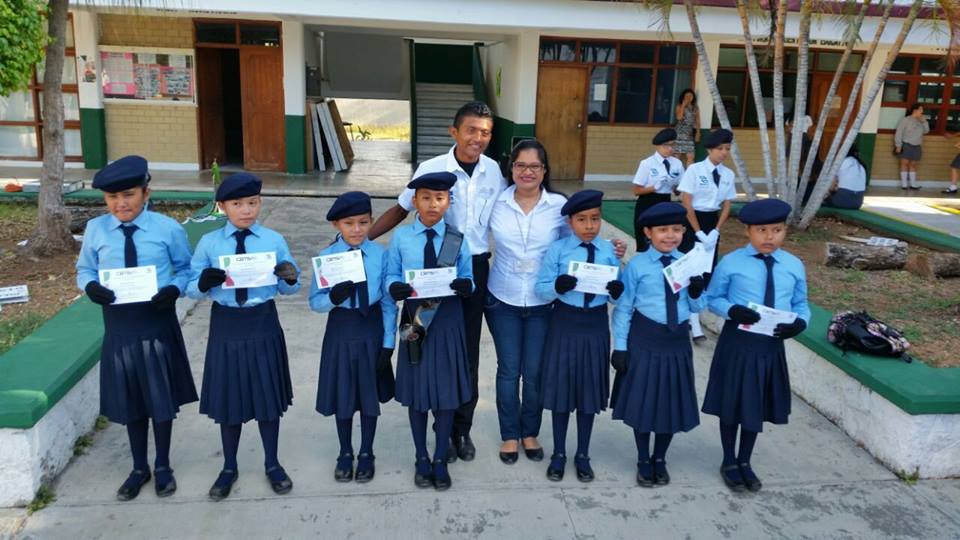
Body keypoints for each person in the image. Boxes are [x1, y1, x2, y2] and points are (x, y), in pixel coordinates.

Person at [369, 102, 503, 463]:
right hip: (422, 275)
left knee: (465, 353)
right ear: (454, 132)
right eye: (471, 130)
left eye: (486, 132)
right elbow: (401, 208)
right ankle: (426, 415)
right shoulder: (430, 169)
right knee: (417, 343)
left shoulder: (494, 171)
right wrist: (361, 239)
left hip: (467, 273)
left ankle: (459, 429)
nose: (478, 138)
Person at [76, 155, 197, 501]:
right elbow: (85, 269)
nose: (120, 204)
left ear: (146, 193)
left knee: (160, 396)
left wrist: (174, 288)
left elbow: (186, 269)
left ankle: (163, 465)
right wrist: (90, 287)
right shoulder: (96, 230)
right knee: (131, 398)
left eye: (128, 195)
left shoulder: (167, 229)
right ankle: (139, 467)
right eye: (112, 197)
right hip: (120, 325)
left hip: (156, 321)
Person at [187, 173, 301, 501]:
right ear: (222, 207)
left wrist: (289, 277)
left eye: (252, 203)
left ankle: (272, 463)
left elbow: (289, 286)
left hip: (262, 320)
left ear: (260, 203)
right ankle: (229, 467)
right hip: (226, 323)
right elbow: (191, 286)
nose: (246, 210)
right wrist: (203, 282)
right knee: (229, 398)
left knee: (268, 396)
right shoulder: (210, 243)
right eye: (237, 204)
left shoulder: (273, 240)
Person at [701, 198, 810, 493]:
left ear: (785, 231)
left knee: (755, 403)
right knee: (732, 402)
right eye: (762, 230)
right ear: (748, 231)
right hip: (738, 343)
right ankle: (729, 460)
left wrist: (801, 322)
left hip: (769, 346)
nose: (769, 237)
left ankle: (745, 461)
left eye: (777, 230)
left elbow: (801, 303)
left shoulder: (793, 265)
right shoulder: (731, 262)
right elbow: (713, 298)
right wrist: (731, 310)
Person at [385, 171, 475, 491]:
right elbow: (391, 274)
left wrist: (466, 286)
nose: (433, 204)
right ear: (414, 201)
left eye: (440, 198)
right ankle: (421, 457)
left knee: (446, 394)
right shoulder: (401, 238)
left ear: (449, 202)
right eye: (426, 197)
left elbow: (469, 278)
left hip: (448, 320)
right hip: (414, 319)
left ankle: (439, 459)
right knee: (417, 392)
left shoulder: (457, 239)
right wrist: (393, 287)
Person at [610, 202, 706, 488]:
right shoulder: (637, 266)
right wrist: (620, 346)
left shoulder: (687, 264)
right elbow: (623, 308)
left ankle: (660, 458)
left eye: (676, 229)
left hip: (676, 341)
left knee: (669, 403)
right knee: (643, 402)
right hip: (645, 339)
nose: (670, 236)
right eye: (663, 230)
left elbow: (697, 306)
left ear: (684, 232)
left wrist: (697, 291)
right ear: (648, 233)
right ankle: (643, 458)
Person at [485, 140, 568, 465]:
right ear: (511, 169)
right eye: (521, 165)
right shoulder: (496, 203)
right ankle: (509, 434)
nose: (527, 172)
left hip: (542, 303)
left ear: (544, 171)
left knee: (534, 372)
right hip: (502, 299)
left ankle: (529, 432)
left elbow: (573, 244)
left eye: (535, 166)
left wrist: (609, 250)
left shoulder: (559, 206)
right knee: (509, 370)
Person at [535, 190, 624, 483]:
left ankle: (582, 454)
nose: (589, 226)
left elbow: (617, 295)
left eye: (595, 219)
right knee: (562, 392)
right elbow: (541, 288)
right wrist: (557, 286)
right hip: (564, 323)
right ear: (570, 222)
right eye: (582, 219)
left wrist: (616, 291)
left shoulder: (609, 251)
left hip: (595, 325)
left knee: (588, 393)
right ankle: (559, 453)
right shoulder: (558, 250)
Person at [309, 191, 398, 483]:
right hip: (341, 329)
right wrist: (332, 298)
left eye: (363, 222)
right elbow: (315, 302)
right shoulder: (327, 258)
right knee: (344, 394)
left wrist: (388, 342)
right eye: (349, 223)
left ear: (371, 221)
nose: (357, 229)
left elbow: (388, 301)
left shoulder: (380, 255)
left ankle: (367, 452)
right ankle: (345, 452)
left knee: (369, 395)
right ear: (336, 225)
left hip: (371, 327)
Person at [677, 128, 737, 343]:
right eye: (720, 149)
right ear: (710, 149)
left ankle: (694, 316)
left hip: (712, 223)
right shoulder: (694, 170)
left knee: (705, 270)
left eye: (727, 149)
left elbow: (727, 205)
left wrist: (716, 230)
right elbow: (686, 202)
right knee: (688, 268)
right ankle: (687, 318)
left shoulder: (728, 175)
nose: (724, 153)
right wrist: (698, 232)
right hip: (692, 221)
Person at [632, 128, 684, 252]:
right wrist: (654, 187)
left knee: (663, 240)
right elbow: (636, 191)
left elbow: (678, 191)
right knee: (645, 242)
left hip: (665, 201)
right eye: (666, 145)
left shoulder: (677, 163)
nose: (670, 149)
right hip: (647, 202)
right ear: (658, 146)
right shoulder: (647, 163)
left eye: (672, 145)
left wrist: (674, 186)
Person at [894, 103, 929, 190]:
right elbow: (899, 132)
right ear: (915, 110)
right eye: (920, 109)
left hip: (917, 145)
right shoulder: (906, 120)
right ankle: (904, 184)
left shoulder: (922, 120)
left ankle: (913, 184)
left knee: (913, 165)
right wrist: (898, 145)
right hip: (906, 144)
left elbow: (926, 131)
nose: (922, 111)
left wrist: (924, 122)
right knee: (904, 164)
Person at [673, 89, 700, 167]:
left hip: (689, 134)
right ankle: (676, 173)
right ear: (683, 97)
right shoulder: (679, 106)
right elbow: (679, 117)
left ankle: (689, 173)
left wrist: (698, 133)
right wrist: (683, 106)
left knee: (691, 156)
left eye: (690, 96)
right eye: (686, 96)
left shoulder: (695, 107)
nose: (688, 97)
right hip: (679, 133)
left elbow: (697, 121)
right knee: (677, 156)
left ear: (693, 97)